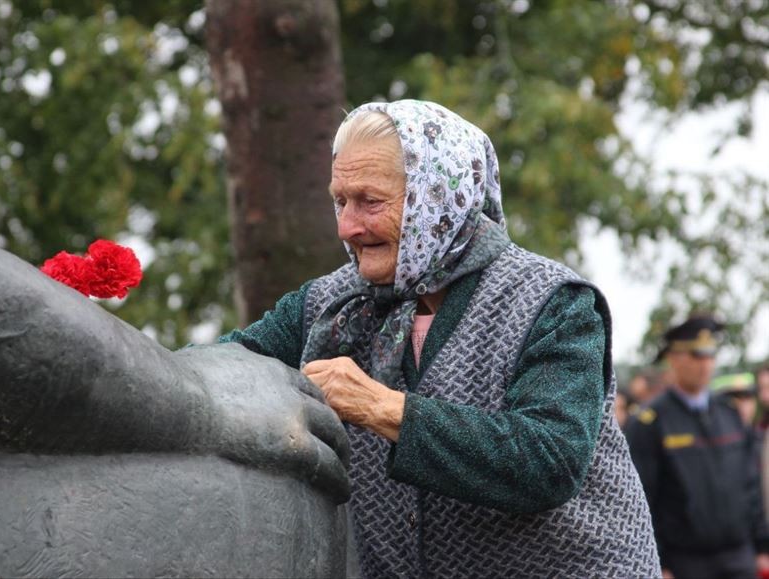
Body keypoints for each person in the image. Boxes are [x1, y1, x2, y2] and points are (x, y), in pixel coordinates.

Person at [217, 100, 659, 577]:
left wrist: (381, 407)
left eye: (370, 201)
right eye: (340, 200)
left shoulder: (552, 302)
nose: (347, 226)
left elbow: (549, 460)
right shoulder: (331, 305)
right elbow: (227, 366)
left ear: (439, 198)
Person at [625, 315, 769, 578]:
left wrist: (762, 545)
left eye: (710, 355)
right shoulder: (650, 422)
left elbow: (750, 485)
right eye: (696, 355)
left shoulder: (730, 414)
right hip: (685, 563)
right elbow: (642, 497)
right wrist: (658, 559)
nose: (705, 364)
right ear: (674, 358)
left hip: (739, 557)